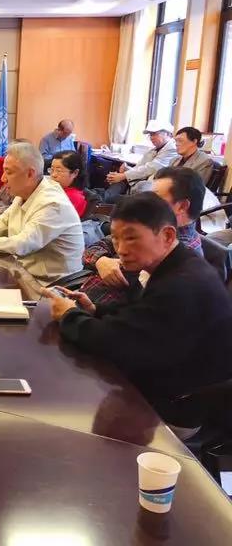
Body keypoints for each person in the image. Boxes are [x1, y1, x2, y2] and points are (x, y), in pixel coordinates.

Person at [48, 193, 232, 426]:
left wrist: (69, 315)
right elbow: (140, 316)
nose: (121, 249)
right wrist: (95, 309)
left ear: (167, 235)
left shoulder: (182, 283)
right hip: (159, 380)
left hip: (177, 407)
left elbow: (115, 342)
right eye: (116, 239)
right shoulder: (175, 264)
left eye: (131, 238)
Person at [0, 141, 84, 284]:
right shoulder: (25, 191)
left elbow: (22, 244)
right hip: (23, 271)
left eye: (9, 172)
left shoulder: (52, 203)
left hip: (51, 285)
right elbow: (1, 224)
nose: (3, 178)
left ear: (30, 174)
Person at [80, 166, 206, 305]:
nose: (148, 203)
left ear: (182, 206)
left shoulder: (179, 255)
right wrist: (101, 260)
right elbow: (92, 249)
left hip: (98, 310)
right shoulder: (147, 225)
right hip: (84, 297)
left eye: (156, 198)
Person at [104, 120, 178, 202]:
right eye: (150, 135)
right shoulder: (154, 150)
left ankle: (102, 200)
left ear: (167, 134)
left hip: (150, 187)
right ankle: (102, 200)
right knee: (113, 184)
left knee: (113, 195)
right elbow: (140, 166)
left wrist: (123, 175)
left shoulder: (172, 149)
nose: (151, 138)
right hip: (138, 183)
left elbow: (152, 168)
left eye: (154, 134)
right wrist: (126, 169)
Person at [49, 150, 87, 217]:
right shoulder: (57, 189)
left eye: (59, 171)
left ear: (75, 173)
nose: (53, 175)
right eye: (52, 170)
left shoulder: (74, 198)